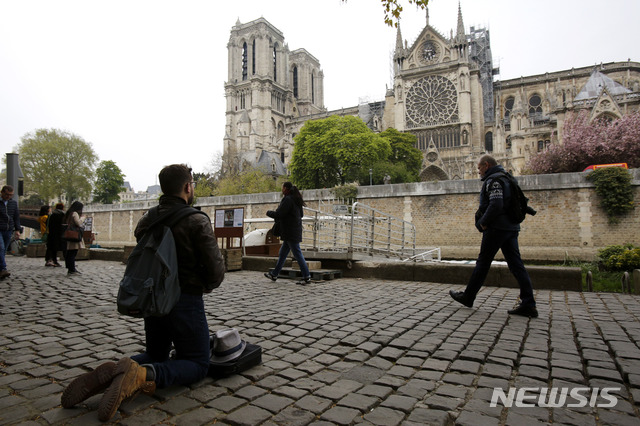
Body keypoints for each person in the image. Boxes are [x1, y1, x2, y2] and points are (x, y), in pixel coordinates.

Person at [61, 164, 226, 422]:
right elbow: (216, 269)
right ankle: (141, 377)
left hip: (153, 298)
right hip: (185, 299)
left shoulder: (148, 218)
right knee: (197, 363)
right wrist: (207, 284)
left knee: (156, 353)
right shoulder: (196, 219)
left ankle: (116, 371)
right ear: (187, 187)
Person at [449, 155, 538, 318]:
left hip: (497, 228)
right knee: (517, 265)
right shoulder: (507, 178)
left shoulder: (494, 181)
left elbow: (496, 204)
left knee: (482, 264)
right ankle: (528, 303)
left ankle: (468, 296)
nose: (478, 172)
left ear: (486, 165)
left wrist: (483, 222)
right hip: (511, 228)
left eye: (479, 168)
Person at [264, 181, 311, 285]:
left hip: (290, 231)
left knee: (297, 254)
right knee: (283, 253)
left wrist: (269, 213)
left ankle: (307, 276)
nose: (282, 190)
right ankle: (274, 274)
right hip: (293, 230)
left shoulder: (288, 199)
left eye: (282, 188)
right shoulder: (296, 200)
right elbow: (301, 215)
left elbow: (279, 214)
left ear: (285, 188)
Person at [0, 185, 21, 279]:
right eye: (7, 194)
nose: (9, 196)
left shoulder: (13, 203)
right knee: (1, 247)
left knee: (3, 250)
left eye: (11, 195)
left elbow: (16, 217)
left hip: (8, 229)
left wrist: (17, 229)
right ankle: (3, 269)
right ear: (2, 193)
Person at [63, 201, 85, 275]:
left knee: (70, 253)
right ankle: (72, 269)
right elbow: (78, 223)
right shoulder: (75, 213)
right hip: (74, 235)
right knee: (73, 253)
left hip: (70, 234)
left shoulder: (69, 213)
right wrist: (82, 218)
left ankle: (70, 268)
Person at [46, 203, 65, 267]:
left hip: (51, 233)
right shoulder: (62, 215)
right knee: (57, 248)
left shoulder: (52, 214)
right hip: (59, 234)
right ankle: (55, 260)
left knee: (51, 248)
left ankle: (49, 260)